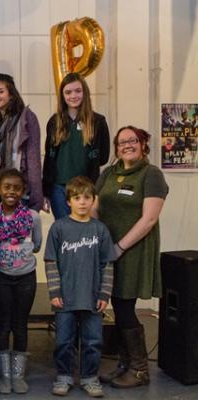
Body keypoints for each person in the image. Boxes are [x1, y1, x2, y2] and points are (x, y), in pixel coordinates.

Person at [93, 126, 168, 389]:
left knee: (124, 306)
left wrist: (120, 247)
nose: (127, 145)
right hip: (109, 248)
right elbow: (94, 206)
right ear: (116, 147)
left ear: (143, 144)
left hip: (133, 250)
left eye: (133, 140)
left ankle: (139, 369)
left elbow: (149, 219)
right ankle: (125, 364)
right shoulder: (109, 174)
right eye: (122, 142)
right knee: (117, 303)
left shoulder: (152, 175)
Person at [44, 176, 116, 397]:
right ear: (68, 202)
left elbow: (108, 264)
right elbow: (50, 262)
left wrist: (105, 293)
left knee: (93, 341)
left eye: (87, 197)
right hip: (65, 297)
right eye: (77, 198)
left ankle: (89, 377)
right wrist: (55, 292)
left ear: (94, 200)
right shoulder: (58, 228)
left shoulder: (100, 230)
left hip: (93, 297)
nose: (82, 202)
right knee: (63, 341)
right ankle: (64, 376)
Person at [0, 168, 42, 394]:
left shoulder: (33, 217)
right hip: (0, 277)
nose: (11, 191)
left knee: (20, 325)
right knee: (3, 324)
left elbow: (36, 244)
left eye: (17, 188)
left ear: (23, 192)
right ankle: (3, 375)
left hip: (26, 278)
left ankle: (17, 375)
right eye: (7, 187)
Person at [42, 72, 110, 219]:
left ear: (84, 93)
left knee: (85, 232)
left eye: (78, 91)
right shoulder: (54, 122)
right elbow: (49, 158)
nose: (73, 96)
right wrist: (45, 192)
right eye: (68, 92)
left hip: (86, 188)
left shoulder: (98, 121)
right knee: (65, 231)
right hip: (59, 189)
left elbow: (103, 157)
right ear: (62, 96)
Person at [0, 73, 43, 211]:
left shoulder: (26, 117)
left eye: (0, 91)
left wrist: (37, 196)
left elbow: (33, 159)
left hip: (18, 190)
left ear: (12, 94)